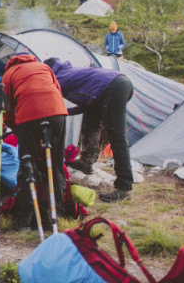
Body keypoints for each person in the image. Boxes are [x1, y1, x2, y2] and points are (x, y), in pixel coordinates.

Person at [45, 58, 135, 201]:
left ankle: (124, 187)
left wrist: (56, 113)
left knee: (117, 137)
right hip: (115, 86)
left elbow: (49, 103)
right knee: (91, 120)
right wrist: (66, 112)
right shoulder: (70, 74)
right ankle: (87, 161)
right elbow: (87, 104)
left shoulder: (60, 79)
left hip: (114, 89)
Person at [2, 50, 68, 224]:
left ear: (12, 61)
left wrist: (17, 130)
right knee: (56, 164)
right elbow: (57, 91)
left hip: (28, 115)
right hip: (57, 112)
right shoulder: (44, 67)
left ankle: (24, 219)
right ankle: (57, 215)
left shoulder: (9, 74)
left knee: (27, 164)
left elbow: (7, 108)